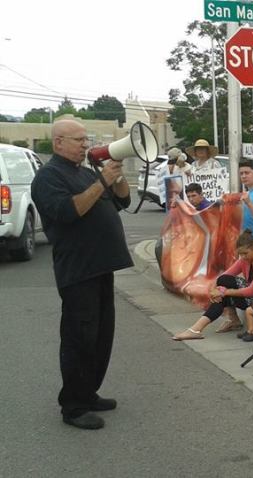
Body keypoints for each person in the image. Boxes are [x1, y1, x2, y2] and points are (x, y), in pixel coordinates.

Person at [31, 119, 133, 430]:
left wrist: (116, 176)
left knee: (101, 336)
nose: (85, 145)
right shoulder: (48, 177)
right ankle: (73, 406)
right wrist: (102, 181)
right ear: (58, 142)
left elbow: (123, 201)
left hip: (101, 266)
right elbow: (68, 211)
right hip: (78, 270)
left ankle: (88, 392)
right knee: (79, 338)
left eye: (86, 139)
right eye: (78, 140)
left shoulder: (86, 173)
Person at [172, 231, 253, 341]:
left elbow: (252, 291)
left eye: (245, 253)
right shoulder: (245, 259)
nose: (243, 257)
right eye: (241, 254)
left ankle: (198, 329)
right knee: (223, 283)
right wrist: (214, 289)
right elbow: (225, 275)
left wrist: (223, 292)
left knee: (224, 290)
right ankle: (196, 329)